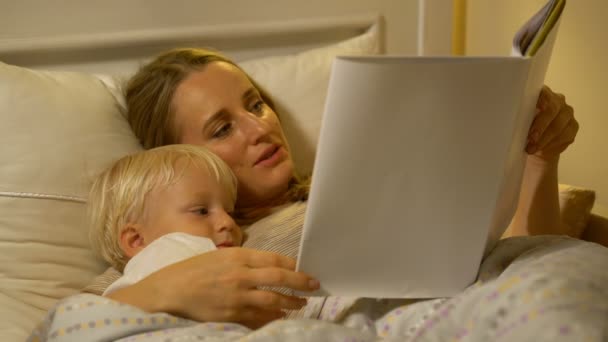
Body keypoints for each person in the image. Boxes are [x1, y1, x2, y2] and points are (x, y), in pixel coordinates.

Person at [92, 47, 577, 328]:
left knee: (566, 283)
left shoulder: (367, 185)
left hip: (475, 308)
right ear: (181, 160)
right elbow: (62, 330)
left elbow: (522, 255)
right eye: (221, 129)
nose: (259, 128)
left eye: (255, 104)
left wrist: (538, 158)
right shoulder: (177, 251)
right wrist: (167, 288)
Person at [87, 144, 257, 299]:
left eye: (230, 212)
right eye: (201, 211)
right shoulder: (149, 270)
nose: (227, 222)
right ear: (137, 240)